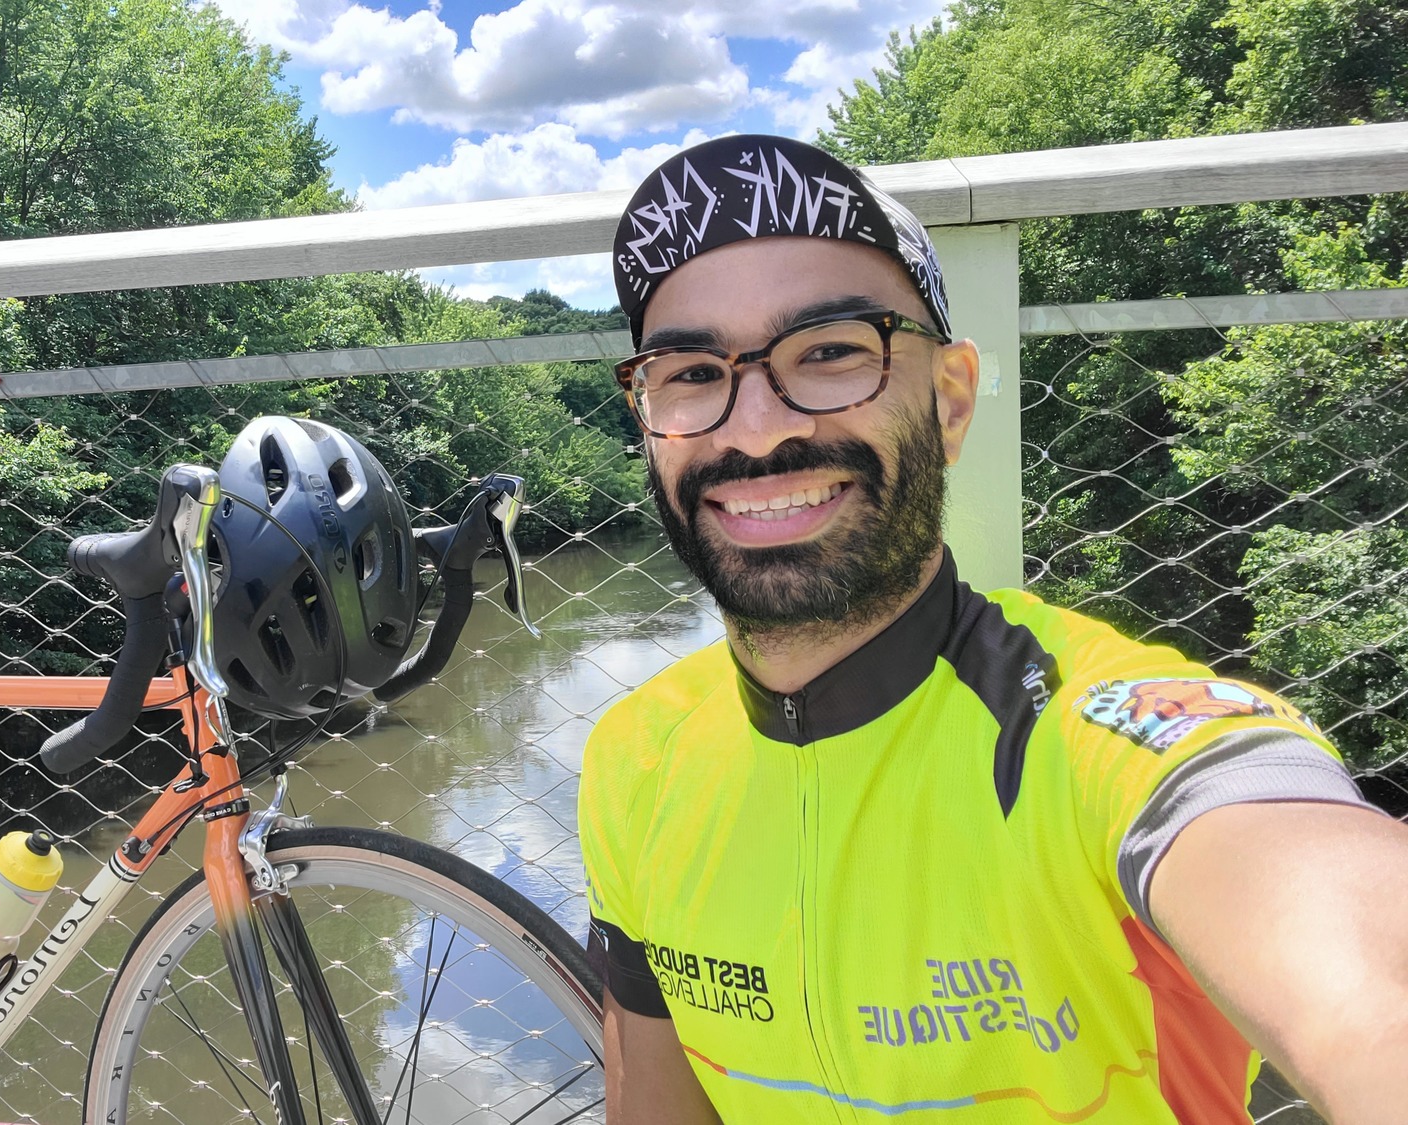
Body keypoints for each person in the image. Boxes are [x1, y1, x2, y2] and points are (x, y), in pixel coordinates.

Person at [578, 133, 1408, 1124]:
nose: (756, 428)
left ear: (951, 401)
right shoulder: (635, 757)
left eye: (831, 351)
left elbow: (1355, 970)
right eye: (690, 371)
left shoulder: (1092, 733)